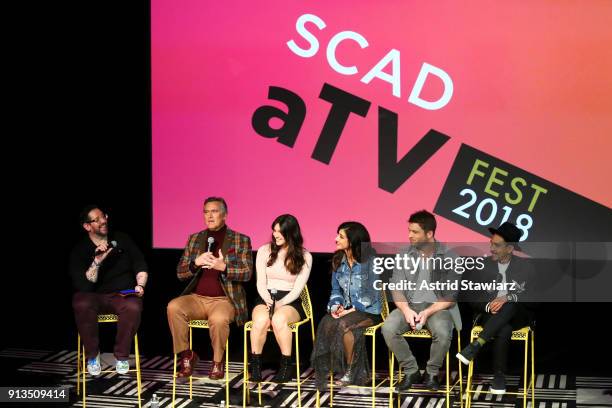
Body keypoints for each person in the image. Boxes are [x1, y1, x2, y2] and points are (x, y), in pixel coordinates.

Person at [167, 197, 253, 380]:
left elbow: (247, 273)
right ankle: (186, 356)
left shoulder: (240, 239)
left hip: (224, 300)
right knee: (173, 307)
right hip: (197, 298)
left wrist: (224, 267)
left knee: (219, 319)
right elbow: (180, 273)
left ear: (225, 215)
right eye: (206, 212)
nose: (209, 215)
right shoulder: (195, 239)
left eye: (214, 211)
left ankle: (217, 362)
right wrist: (195, 263)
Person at [381, 210, 461, 392]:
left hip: (438, 307)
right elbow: (396, 287)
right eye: (409, 230)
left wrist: (427, 312)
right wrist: (406, 310)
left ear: (430, 234)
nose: (409, 235)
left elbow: (450, 295)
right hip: (409, 305)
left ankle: (431, 373)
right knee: (389, 328)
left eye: (415, 232)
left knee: (442, 331)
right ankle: (411, 370)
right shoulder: (404, 254)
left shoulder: (450, 257)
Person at [457, 222, 535, 395]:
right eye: (491, 243)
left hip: (518, 316)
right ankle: (499, 375)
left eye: (497, 245)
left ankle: (477, 345)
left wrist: (508, 297)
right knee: (503, 328)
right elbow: (470, 294)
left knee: (511, 304)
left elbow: (533, 298)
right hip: (489, 314)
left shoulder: (525, 267)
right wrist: (487, 305)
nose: (491, 248)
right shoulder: (482, 265)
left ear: (509, 248)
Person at [70, 205, 148, 376]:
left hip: (121, 294)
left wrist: (140, 285)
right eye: (96, 220)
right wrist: (97, 261)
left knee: (133, 306)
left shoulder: (122, 239)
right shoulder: (80, 250)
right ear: (87, 226)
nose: (103, 221)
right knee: (81, 302)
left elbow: (140, 264)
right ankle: (92, 356)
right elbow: (84, 285)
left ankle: (121, 356)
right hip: (93, 296)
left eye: (103, 216)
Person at [311, 221, 382, 391]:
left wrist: (350, 309)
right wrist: (335, 306)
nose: (336, 239)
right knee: (328, 321)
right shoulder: (338, 260)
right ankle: (333, 366)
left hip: (368, 311)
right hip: (348, 310)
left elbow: (372, 294)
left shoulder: (371, 261)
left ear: (353, 240)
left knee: (344, 324)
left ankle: (350, 371)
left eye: (341, 236)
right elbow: (336, 290)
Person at [248, 214, 312, 383]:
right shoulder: (264, 251)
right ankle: (255, 366)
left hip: (290, 300)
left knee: (278, 319)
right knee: (261, 320)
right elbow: (260, 282)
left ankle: (286, 366)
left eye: (280, 232)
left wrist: (281, 304)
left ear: (291, 233)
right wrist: (269, 300)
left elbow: (298, 289)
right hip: (266, 296)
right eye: (274, 230)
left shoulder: (305, 256)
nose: (275, 234)